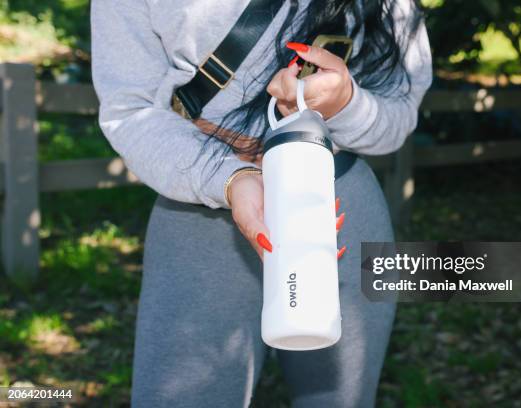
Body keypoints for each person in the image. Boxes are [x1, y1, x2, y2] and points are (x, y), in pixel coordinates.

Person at [91, 0, 432, 406]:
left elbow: (397, 116)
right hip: (198, 215)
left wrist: (345, 105)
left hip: (337, 205)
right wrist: (230, 179)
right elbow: (130, 111)